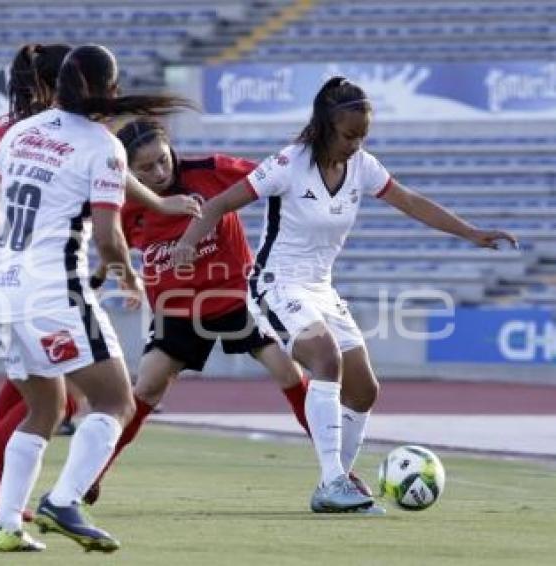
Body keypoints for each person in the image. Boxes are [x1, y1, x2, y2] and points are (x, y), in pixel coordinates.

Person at [174, 76, 519, 514]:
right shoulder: (288, 163)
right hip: (277, 282)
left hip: (321, 287)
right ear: (324, 126)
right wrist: (187, 243)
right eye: (349, 134)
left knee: (363, 390)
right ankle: (333, 480)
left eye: (363, 136)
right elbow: (220, 204)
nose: (356, 144)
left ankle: (338, 483)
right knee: (325, 358)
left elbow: (410, 201)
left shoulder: (363, 166)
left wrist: (471, 232)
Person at [0, 43, 199, 522]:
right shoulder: (102, 145)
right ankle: (62, 501)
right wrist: (129, 278)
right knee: (116, 400)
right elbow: (108, 235)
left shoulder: (19, 132)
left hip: (3, 283)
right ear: (110, 90)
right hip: (53, 287)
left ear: (56, 87)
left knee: (47, 405)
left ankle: (6, 523)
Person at [82, 119, 312, 506]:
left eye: (163, 160)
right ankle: (92, 473)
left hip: (235, 296)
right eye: (146, 168)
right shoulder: (126, 201)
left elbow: (272, 177)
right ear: (128, 170)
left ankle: (338, 469)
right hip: (177, 308)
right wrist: (104, 276)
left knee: (287, 370)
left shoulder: (211, 172)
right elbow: (112, 241)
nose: (159, 172)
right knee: (146, 387)